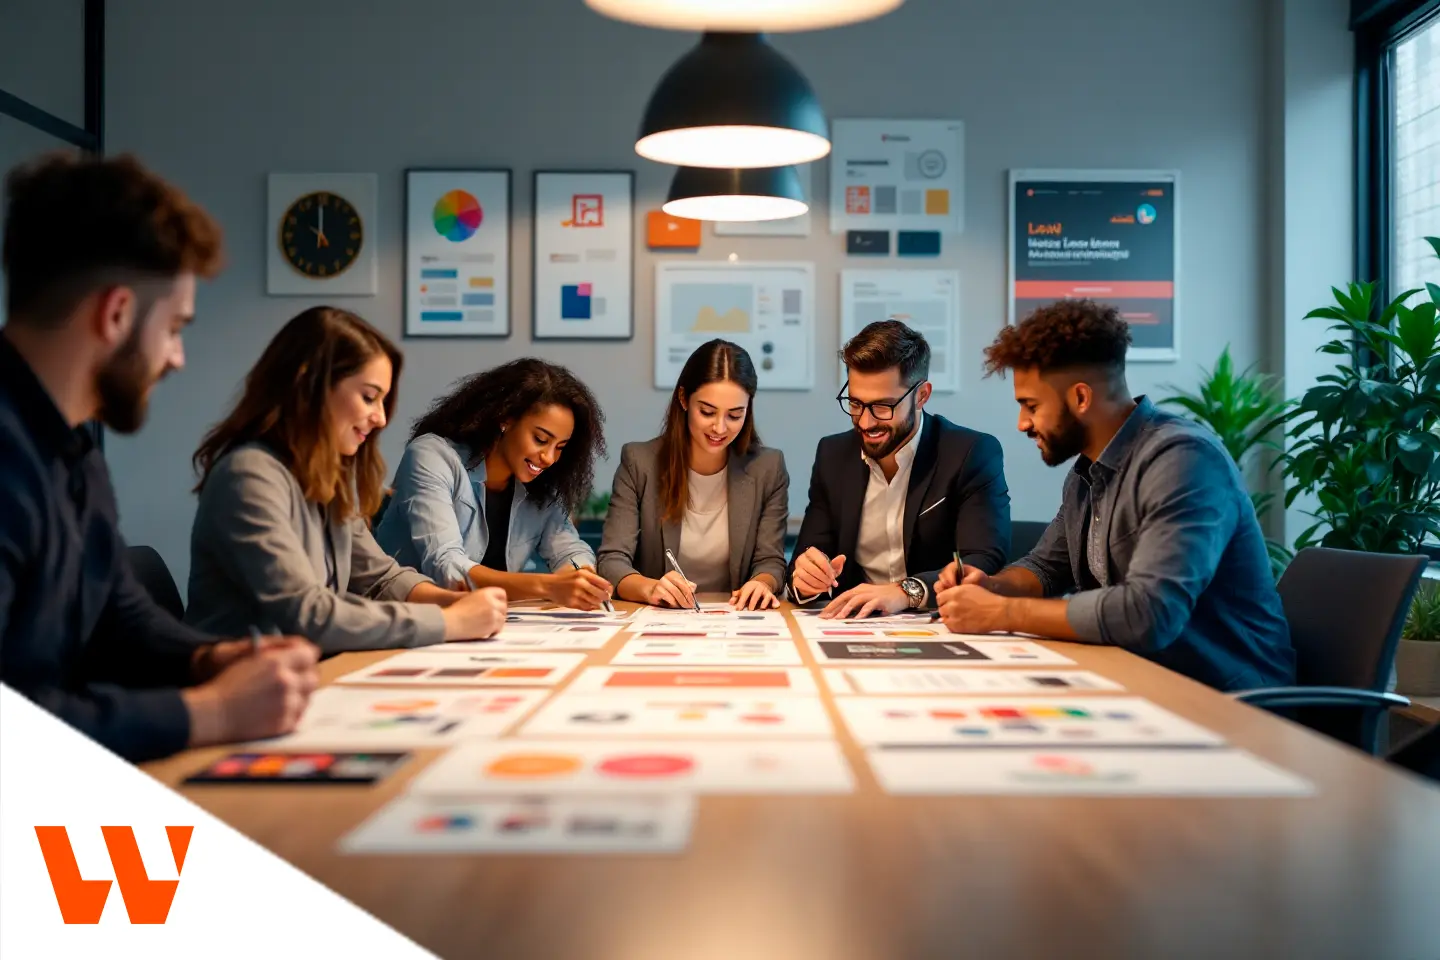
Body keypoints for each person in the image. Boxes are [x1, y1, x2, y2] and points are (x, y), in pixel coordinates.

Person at [0, 151, 321, 763]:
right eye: (174, 327)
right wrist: (214, 711)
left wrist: (208, 657)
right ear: (117, 314)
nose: (176, 357)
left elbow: (116, 609)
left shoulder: (70, 446)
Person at [935, 298, 1295, 691]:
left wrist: (1002, 612)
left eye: (1031, 406)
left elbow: (1148, 613)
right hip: (1141, 679)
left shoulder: (1183, 460)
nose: (1022, 423)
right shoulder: (1087, 474)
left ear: (1081, 398)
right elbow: (1044, 568)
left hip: (1228, 698)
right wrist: (990, 587)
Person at [185, 307, 508, 653]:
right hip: (245, 691)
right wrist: (450, 623)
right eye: (369, 397)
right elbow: (310, 615)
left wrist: (449, 602)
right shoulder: (249, 477)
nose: (381, 418)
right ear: (308, 384)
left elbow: (379, 579)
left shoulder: (325, 480)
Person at [788, 320, 1011, 617]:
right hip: (853, 627)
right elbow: (807, 557)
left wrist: (906, 591)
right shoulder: (833, 454)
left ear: (922, 396)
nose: (865, 423)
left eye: (883, 407)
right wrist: (806, 579)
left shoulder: (969, 453)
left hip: (938, 623)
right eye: (855, 403)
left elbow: (983, 559)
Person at [375, 359, 612, 610]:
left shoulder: (540, 483)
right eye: (540, 439)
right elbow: (448, 567)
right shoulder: (432, 457)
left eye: (560, 447)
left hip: (487, 624)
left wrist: (581, 575)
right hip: (407, 620)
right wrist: (549, 586)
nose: (549, 458)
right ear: (505, 419)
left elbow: (568, 550)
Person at [599, 339, 789, 610]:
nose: (719, 428)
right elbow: (611, 560)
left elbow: (771, 561)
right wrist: (649, 587)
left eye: (735, 415)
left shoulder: (768, 468)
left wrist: (762, 583)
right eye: (707, 412)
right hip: (659, 621)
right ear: (683, 398)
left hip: (735, 621)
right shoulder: (639, 463)